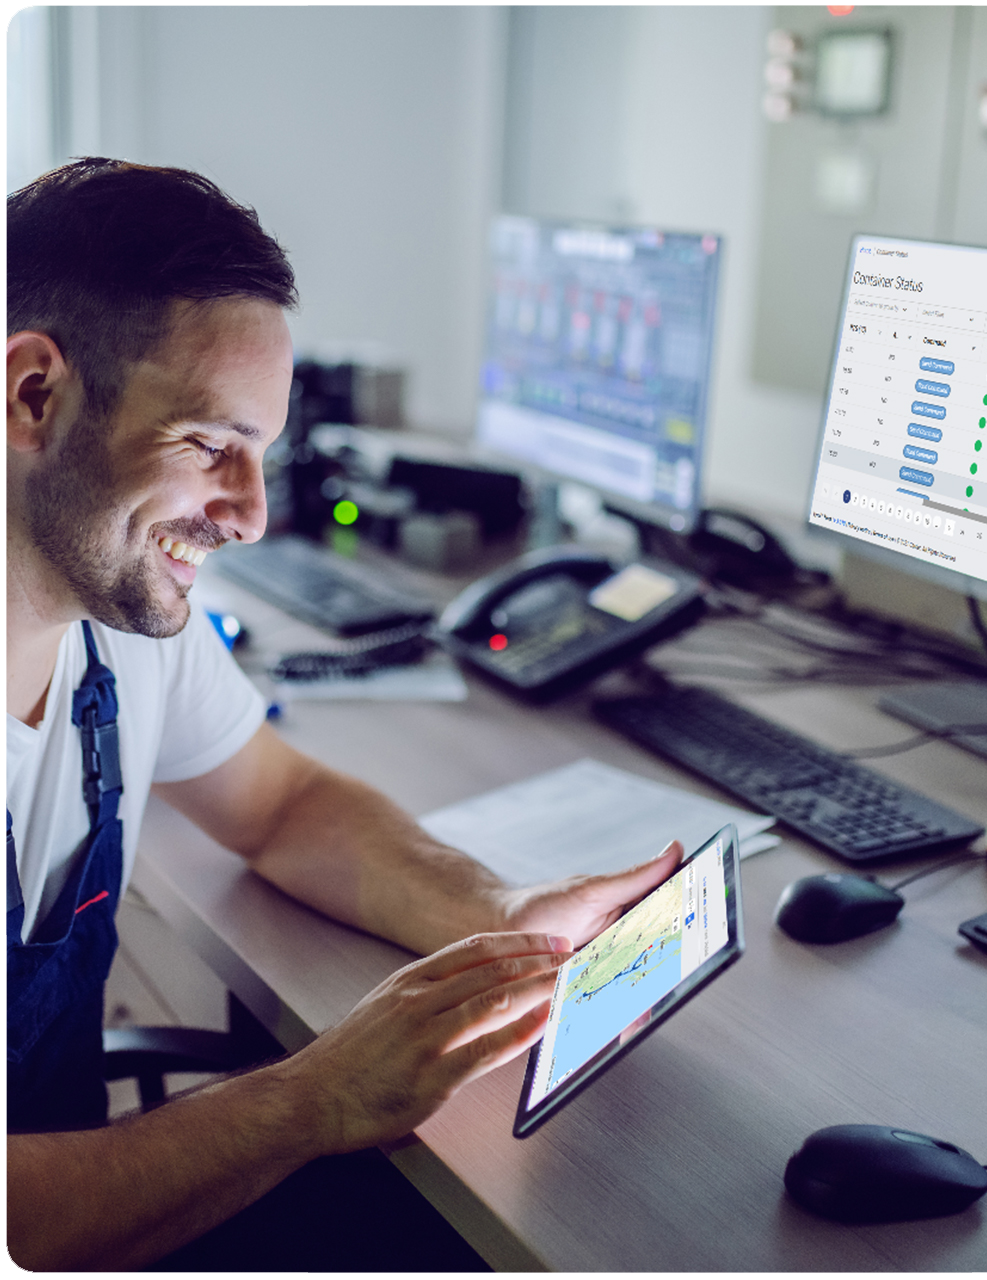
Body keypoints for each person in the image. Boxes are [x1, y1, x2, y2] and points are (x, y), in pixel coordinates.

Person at [5, 159, 681, 1271]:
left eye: (262, 454)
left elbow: (282, 806)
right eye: (210, 445)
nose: (253, 514)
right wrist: (314, 1094)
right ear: (34, 394)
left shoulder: (116, 626)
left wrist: (509, 920)